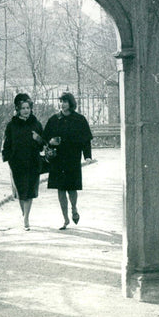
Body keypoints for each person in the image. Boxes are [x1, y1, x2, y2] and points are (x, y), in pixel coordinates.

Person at [43, 92, 94, 230]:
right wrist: (50, 141)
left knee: (71, 188)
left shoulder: (79, 119)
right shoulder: (53, 119)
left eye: (65, 101)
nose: (63, 104)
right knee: (60, 189)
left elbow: (86, 140)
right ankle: (65, 218)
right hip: (57, 159)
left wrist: (87, 156)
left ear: (71, 103)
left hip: (72, 158)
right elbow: (45, 138)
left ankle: (74, 208)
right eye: (61, 101)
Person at [1, 93, 45, 231]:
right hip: (17, 163)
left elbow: (43, 143)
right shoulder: (12, 125)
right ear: (18, 109)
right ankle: (24, 214)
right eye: (23, 108)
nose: (26, 110)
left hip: (33, 161)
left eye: (28, 107)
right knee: (21, 191)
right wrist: (8, 157)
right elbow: (6, 143)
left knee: (30, 190)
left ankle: (26, 218)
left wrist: (38, 139)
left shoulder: (36, 124)